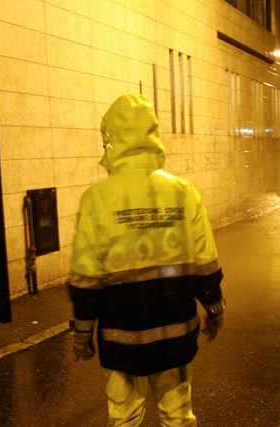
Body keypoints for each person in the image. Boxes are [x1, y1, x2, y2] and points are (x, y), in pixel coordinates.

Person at [68, 94, 224, 427]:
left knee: (124, 418)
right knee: (179, 417)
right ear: (153, 136)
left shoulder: (97, 198)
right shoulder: (184, 192)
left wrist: (82, 333)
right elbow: (205, 263)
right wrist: (215, 308)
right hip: (176, 334)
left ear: (111, 141)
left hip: (121, 340)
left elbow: (85, 279)